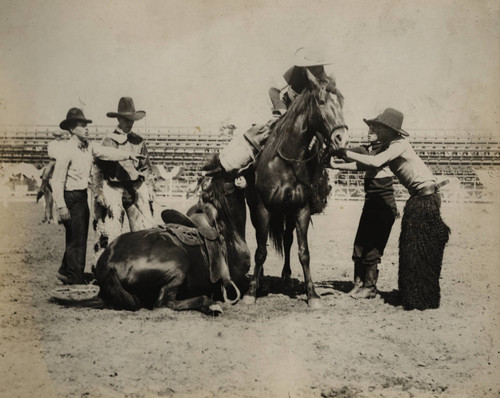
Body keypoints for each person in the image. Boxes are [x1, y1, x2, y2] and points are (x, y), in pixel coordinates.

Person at [332, 108, 450, 310]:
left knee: (417, 249)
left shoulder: (399, 145)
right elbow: (370, 166)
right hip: (420, 198)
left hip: (425, 198)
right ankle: (413, 293)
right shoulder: (390, 147)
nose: (374, 129)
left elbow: (374, 161)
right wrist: (335, 165)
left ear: (388, 130)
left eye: (378, 127)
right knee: (411, 249)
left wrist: (344, 152)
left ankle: (418, 295)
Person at [52, 108, 142, 285]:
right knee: (76, 238)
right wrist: (61, 205)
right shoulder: (66, 150)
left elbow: (106, 152)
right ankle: (73, 276)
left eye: (86, 125)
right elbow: (57, 180)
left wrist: (128, 154)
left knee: (79, 235)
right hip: (70, 197)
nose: (86, 128)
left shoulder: (89, 146)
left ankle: (66, 270)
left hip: (81, 196)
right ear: (72, 129)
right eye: (82, 125)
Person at [215, 47, 335, 176]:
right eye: (312, 66)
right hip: (288, 110)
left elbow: (329, 100)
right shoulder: (295, 71)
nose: (316, 69)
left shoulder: (324, 79)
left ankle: (322, 172)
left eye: (318, 66)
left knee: (323, 142)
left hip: (309, 117)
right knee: (263, 133)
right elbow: (273, 89)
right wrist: (281, 109)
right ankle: (231, 167)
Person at [330, 126, 398, 299]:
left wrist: (343, 152)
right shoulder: (371, 151)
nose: (369, 132)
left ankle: (370, 287)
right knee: (360, 244)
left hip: (383, 204)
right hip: (371, 202)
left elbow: (368, 160)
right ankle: (358, 284)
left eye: (374, 130)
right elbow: (360, 164)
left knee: (373, 247)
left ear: (383, 133)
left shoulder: (387, 151)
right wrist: (335, 163)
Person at [91, 97, 155, 267]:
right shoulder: (108, 141)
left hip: (135, 188)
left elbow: (146, 167)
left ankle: (143, 270)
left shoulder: (139, 141)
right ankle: (102, 270)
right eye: (126, 120)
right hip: (113, 189)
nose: (130, 123)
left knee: (145, 233)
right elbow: (97, 169)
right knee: (109, 234)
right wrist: (98, 192)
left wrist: (149, 188)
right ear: (118, 119)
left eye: (132, 120)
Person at [37, 130, 67, 223]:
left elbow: (65, 153)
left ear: (61, 136)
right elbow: (51, 153)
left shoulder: (64, 144)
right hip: (54, 160)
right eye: (56, 136)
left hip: (61, 161)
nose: (58, 137)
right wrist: (56, 157)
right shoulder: (51, 144)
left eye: (59, 136)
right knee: (47, 170)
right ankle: (42, 185)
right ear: (55, 136)